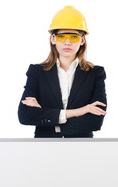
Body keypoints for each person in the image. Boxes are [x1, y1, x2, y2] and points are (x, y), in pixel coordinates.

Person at [18, 6, 107, 138]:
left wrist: (45, 113)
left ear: (82, 40)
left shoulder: (95, 73)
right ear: (53, 39)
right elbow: (25, 115)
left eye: (73, 37)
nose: (67, 42)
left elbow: (95, 122)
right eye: (61, 37)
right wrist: (80, 111)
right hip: (45, 147)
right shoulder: (37, 72)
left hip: (82, 147)